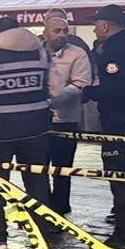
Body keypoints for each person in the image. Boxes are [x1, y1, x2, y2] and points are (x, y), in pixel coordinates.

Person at [0, 16, 54, 249]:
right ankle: (40, 239)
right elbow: (53, 88)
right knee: (37, 182)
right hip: (36, 128)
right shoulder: (41, 53)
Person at [82, 4, 125, 249]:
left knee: (119, 178)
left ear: (105, 25)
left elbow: (114, 89)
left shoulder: (113, 49)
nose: (95, 29)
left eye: (96, 25)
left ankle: (122, 236)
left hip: (119, 123)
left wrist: (89, 92)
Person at [43, 16, 92, 216]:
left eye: (65, 30)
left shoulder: (77, 54)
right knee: (38, 168)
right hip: (38, 120)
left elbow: (81, 82)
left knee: (62, 169)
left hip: (66, 120)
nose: (62, 35)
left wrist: (53, 99)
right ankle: (42, 206)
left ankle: (61, 208)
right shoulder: (35, 52)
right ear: (45, 32)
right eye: (57, 30)